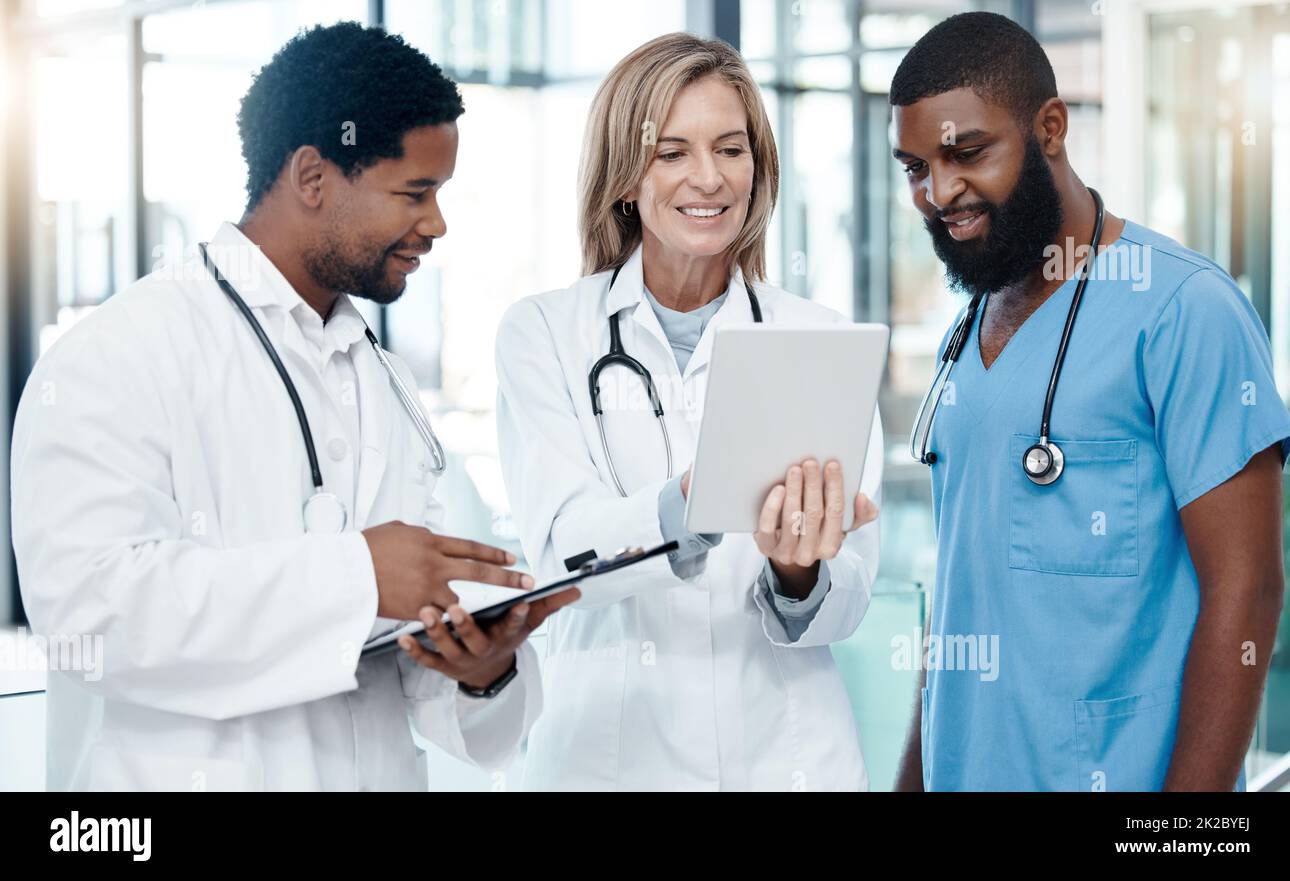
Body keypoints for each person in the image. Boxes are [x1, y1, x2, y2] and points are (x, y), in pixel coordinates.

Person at [11, 22, 575, 792]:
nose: (436, 224)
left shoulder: (383, 380)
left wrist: (480, 666)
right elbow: (90, 616)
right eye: (415, 192)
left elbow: (406, 668)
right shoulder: (118, 353)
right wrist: (357, 576)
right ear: (313, 176)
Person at [889, 12, 1290, 791]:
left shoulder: (1184, 310)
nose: (939, 193)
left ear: (1049, 128)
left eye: (966, 153)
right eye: (914, 168)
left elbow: (1246, 593)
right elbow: (961, 603)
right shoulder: (966, 333)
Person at [495, 33, 884, 791]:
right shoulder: (543, 333)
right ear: (624, 177)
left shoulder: (821, 337)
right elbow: (562, 555)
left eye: (730, 149)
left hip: (790, 761)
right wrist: (691, 504)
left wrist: (797, 571)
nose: (708, 178)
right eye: (671, 152)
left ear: (757, 168)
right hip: (606, 761)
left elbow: (852, 593)